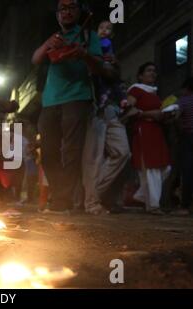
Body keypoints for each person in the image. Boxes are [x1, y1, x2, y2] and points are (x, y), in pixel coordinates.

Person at [32, 0, 111, 215]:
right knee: (48, 151)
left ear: (79, 12)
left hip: (77, 97)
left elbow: (101, 67)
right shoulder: (54, 37)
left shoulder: (88, 35)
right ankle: (60, 196)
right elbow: (36, 59)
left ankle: (62, 201)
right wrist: (48, 43)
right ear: (57, 15)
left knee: (71, 151)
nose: (66, 12)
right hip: (50, 100)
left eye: (71, 8)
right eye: (62, 9)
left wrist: (83, 54)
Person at [82, 21, 131, 215]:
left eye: (108, 29)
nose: (104, 32)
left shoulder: (111, 53)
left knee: (123, 152)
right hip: (96, 107)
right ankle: (91, 202)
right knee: (93, 157)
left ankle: (94, 193)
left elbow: (116, 79)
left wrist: (123, 99)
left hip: (112, 108)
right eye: (100, 28)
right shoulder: (92, 51)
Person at [126, 62, 171, 215]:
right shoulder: (136, 89)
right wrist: (148, 114)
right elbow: (129, 109)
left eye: (154, 71)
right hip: (144, 129)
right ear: (140, 75)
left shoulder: (153, 93)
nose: (153, 73)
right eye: (149, 70)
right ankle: (153, 205)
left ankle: (141, 196)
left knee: (165, 167)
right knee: (151, 167)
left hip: (156, 130)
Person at [176, 77, 193, 214]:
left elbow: (175, 116)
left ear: (187, 88)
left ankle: (184, 206)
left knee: (187, 171)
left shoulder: (183, 101)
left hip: (188, 138)